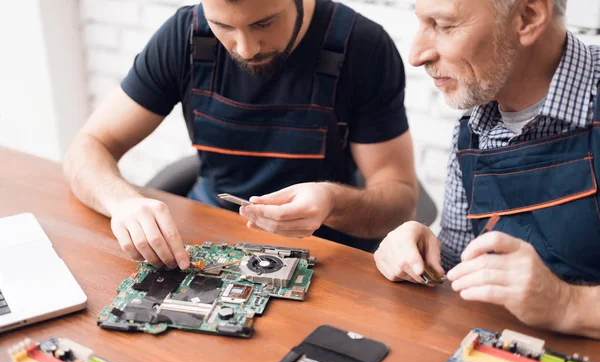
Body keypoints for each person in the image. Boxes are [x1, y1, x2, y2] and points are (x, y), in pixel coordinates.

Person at [64, 0, 418, 271]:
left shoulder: (363, 46)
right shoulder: (185, 36)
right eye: (223, 26)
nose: (246, 49)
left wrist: (332, 201)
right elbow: (88, 147)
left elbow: (399, 200)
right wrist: (121, 202)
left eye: (264, 22)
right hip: (206, 248)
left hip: (322, 255)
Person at [375, 0, 600, 339]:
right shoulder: (472, 129)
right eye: (422, 23)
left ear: (527, 17)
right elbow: (457, 266)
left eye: (444, 25)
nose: (417, 55)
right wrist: (419, 253)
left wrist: (567, 303)